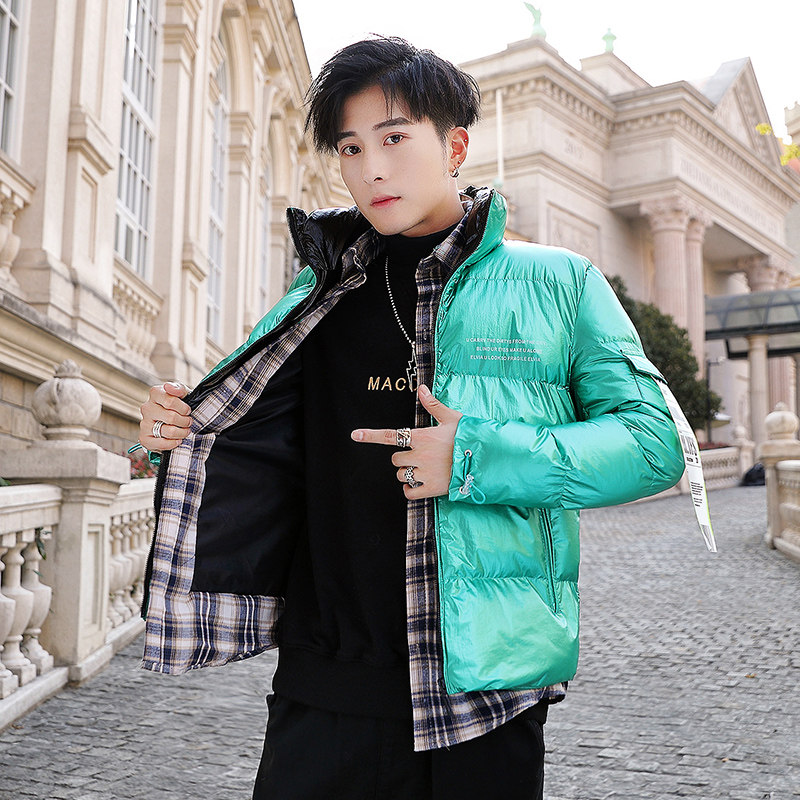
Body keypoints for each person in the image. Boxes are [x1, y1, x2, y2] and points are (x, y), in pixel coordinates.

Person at [136, 36, 685, 799]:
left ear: (454, 146)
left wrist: (475, 457)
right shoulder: (319, 291)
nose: (372, 168)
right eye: (351, 147)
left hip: (483, 693)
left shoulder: (559, 283)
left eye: (394, 138)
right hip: (324, 684)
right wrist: (170, 436)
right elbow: (248, 437)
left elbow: (655, 443)